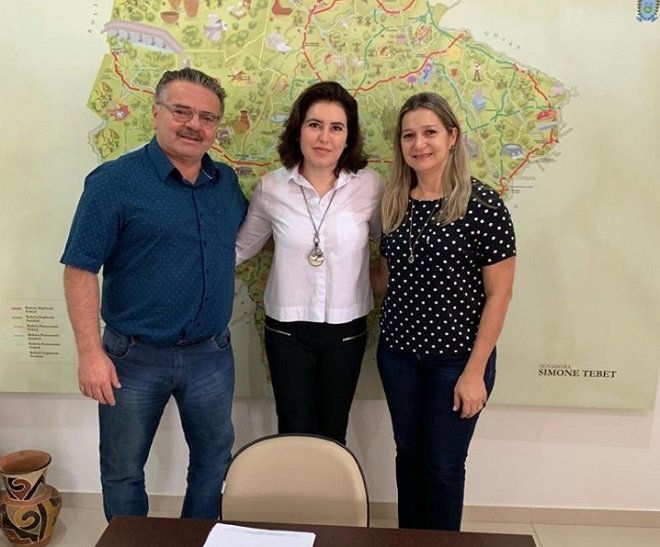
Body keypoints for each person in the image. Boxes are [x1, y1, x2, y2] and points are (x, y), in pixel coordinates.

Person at [61, 67, 247, 522]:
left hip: (210, 355)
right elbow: (80, 269)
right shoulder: (113, 182)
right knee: (123, 471)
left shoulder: (225, 184)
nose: (194, 124)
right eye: (181, 111)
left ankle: (197, 540)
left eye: (207, 117)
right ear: (156, 113)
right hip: (132, 358)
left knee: (213, 464)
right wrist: (89, 353)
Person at [371, 92, 516, 530]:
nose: (419, 144)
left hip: (456, 362)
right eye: (408, 136)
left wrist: (474, 373)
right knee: (408, 456)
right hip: (398, 356)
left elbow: (500, 295)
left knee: (443, 466)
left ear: (452, 137)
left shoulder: (483, 206)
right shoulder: (394, 202)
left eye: (430, 132)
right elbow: (385, 278)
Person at [236, 81, 383, 445]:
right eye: (315, 125)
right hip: (287, 331)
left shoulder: (370, 186)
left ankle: (332, 487)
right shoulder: (271, 188)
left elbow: (391, 247)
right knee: (294, 431)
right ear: (298, 129)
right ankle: (296, 487)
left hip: (346, 329)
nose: (324, 138)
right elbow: (241, 248)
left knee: (334, 432)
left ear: (349, 137)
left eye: (336, 127)